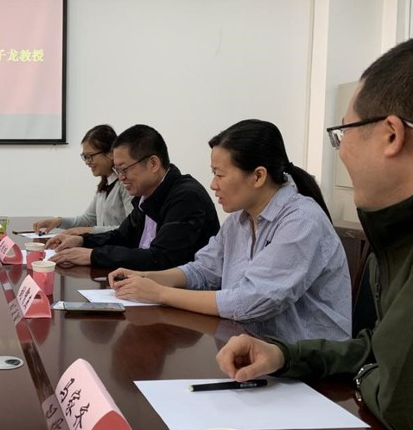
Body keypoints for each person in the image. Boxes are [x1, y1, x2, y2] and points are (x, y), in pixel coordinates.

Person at [216, 39, 413, 430]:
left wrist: (365, 373)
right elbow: (379, 350)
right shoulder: (394, 237)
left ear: (391, 135)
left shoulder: (302, 217)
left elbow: (399, 403)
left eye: (343, 133)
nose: (341, 153)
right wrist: (286, 355)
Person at [109, 119, 351, 342]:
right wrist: (146, 278)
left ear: (258, 176)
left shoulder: (302, 221)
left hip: (307, 366)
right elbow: (204, 270)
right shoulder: (239, 220)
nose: (213, 184)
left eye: (219, 174)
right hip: (251, 348)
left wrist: (161, 293)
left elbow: (251, 300)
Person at [47, 124, 219, 269]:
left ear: (153, 163)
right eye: (117, 170)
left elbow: (160, 258)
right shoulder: (146, 195)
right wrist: (82, 241)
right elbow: (121, 236)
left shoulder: (186, 197)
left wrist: (93, 255)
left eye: (124, 169)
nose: (121, 177)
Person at [33, 125, 133, 236]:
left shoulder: (127, 185)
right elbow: (88, 220)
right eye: (85, 157)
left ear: (110, 153)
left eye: (90, 156)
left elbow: (130, 229)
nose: (87, 162)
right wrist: (58, 221)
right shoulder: (105, 185)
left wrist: (89, 230)